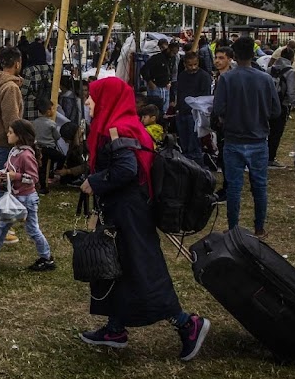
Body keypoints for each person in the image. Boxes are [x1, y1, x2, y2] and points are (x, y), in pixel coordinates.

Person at [77, 76, 211, 361]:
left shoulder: (117, 129)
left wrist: (95, 182)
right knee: (116, 267)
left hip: (130, 213)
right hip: (124, 210)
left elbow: (126, 169)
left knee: (142, 268)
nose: (88, 101)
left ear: (107, 99)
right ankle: (115, 328)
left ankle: (187, 323)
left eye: (92, 96)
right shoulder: (120, 126)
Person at [212, 37, 281, 239]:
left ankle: (233, 228)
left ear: (234, 55)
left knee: (234, 187)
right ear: (253, 54)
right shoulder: (265, 79)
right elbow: (276, 110)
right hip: (258, 139)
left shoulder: (227, 79)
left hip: (233, 139)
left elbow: (218, 109)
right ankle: (259, 228)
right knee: (259, 186)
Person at [0, 119, 56, 270]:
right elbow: (7, 169)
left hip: (27, 198)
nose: (7, 134)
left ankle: (47, 257)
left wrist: (14, 176)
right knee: (3, 225)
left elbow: (33, 178)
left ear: (20, 135)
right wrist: (1, 175)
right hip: (15, 197)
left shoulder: (26, 155)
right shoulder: (14, 152)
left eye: (11, 132)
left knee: (32, 229)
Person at [0, 47, 23, 244]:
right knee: (4, 185)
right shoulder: (10, 88)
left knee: (5, 184)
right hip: (6, 142)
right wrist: (21, 142)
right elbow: (12, 120)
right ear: (17, 63)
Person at [174, 51, 211, 165]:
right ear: (185, 64)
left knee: (193, 142)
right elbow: (179, 93)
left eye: (195, 64)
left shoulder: (204, 76)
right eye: (190, 65)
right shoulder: (182, 76)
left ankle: (196, 164)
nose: (193, 67)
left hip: (195, 113)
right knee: (184, 140)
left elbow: (205, 97)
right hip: (182, 112)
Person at [266, 47, 295, 168]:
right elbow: (290, 91)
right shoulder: (289, 72)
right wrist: (292, 103)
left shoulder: (270, 69)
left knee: (266, 131)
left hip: (268, 104)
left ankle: (264, 155)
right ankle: (271, 157)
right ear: (292, 58)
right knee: (276, 132)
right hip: (281, 105)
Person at [34, 97, 63, 193]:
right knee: (61, 157)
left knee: (42, 168)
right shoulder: (51, 124)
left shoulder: (34, 123)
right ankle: (56, 172)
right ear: (47, 111)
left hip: (38, 148)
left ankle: (42, 186)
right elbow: (57, 136)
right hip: (48, 148)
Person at [20, 39, 51, 121]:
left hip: (31, 108)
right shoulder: (50, 69)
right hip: (46, 107)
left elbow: (23, 92)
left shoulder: (29, 70)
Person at [140, 39, 175, 109]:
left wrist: (169, 81)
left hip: (165, 86)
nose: (162, 49)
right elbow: (144, 70)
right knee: (155, 107)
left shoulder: (172, 58)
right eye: (161, 47)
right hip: (156, 86)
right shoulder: (156, 58)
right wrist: (150, 81)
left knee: (164, 107)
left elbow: (171, 71)